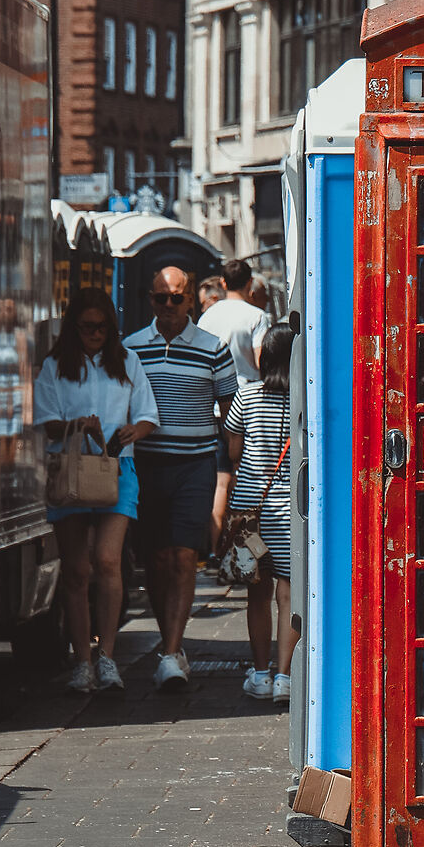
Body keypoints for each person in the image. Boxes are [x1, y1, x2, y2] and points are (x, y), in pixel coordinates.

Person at [36, 290, 158, 696]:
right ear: (74, 327)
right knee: (76, 570)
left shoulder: (127, 363)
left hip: (117, 468)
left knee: (108, 562)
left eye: (102, 327)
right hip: (71, 471)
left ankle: (106, 656)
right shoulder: (55, 367)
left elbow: (147, 417)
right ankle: (82, 661)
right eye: (87, 327)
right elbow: (47, 423)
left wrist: (132, 431)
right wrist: (78, 425)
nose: (95, 334)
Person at [125, 265, 237, 692]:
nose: (169, 306)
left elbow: (231, 405)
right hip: (148, 465)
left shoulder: (213, 347)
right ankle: (169, 647)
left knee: (184, 556)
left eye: (177, 298)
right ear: (150, 301)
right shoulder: (132, 348)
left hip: (195, 465)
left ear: (191, 300)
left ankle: (171, 651)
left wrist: (227, 452)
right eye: (161, 298)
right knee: (155, 557)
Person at [212, 322, 296, 703]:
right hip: (293, 505)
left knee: (257, 593)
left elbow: (232, 452)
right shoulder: (303, 399)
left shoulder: (246, 398)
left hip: (252, 507)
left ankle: (260, 674)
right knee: (288, 593)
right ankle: (284, 677)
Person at [201, 256, 268, 384]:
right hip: (248, 394)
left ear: (223, 283)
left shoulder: (207, 316)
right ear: (250, 282)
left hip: (215, 394)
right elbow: (261, 362)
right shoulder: (257, 316)